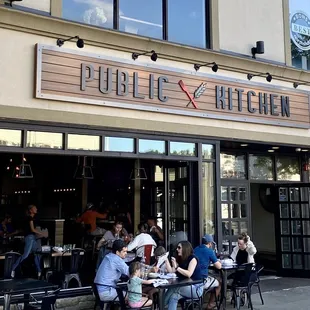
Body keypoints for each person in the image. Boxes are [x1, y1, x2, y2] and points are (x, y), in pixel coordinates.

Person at [164, 241, 203, 310]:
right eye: (177, 248)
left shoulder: (193, 259)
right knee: (174, 296)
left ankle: (159, 306)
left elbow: (189, 274)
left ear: (185, 248)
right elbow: (171, 271)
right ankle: (160, 306)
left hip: (196, 288)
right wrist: (166, 259)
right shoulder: (181, 258)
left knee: (174, 287)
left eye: (179, 248)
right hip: (185, 286)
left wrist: (177, 267)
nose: (177, 249)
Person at [11, 205, 45, 278]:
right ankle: (12, 269)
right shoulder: (29, 218)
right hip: (29, 238)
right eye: (34, 208)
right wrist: (42, 233)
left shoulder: (30, 218)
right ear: (31, 210)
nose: (36, 209)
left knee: (37, 252)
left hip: (32, 238)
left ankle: (39, 270)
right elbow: (32, 230)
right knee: (25, 255)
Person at [194, 234, 222, 310]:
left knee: (212, 278)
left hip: (192, 278)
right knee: (219, 283)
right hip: (202, 280)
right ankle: (210, 305)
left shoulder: (195, 249)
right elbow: (219, 266)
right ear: (210, 243)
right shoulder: (209, 251)